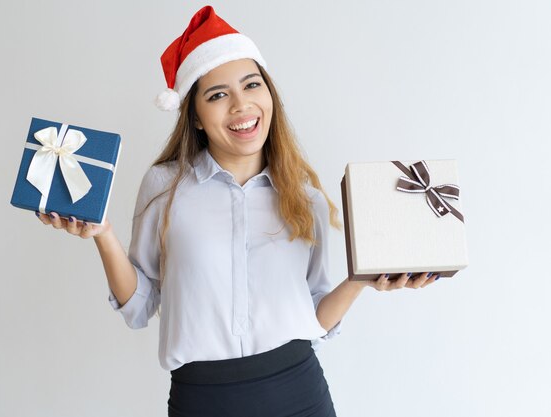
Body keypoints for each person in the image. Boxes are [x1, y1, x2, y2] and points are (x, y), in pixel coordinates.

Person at [35, 5, 439, 416]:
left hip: (301, 394)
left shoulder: (305, 196)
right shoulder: (164, 187)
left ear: (270, 96)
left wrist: (360, 280)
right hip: (203, 401)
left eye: (251, 85)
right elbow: (140, 308)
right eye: (217, 95)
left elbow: (315, 315)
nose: (241, 105)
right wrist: (103, 234)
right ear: (194, 115)